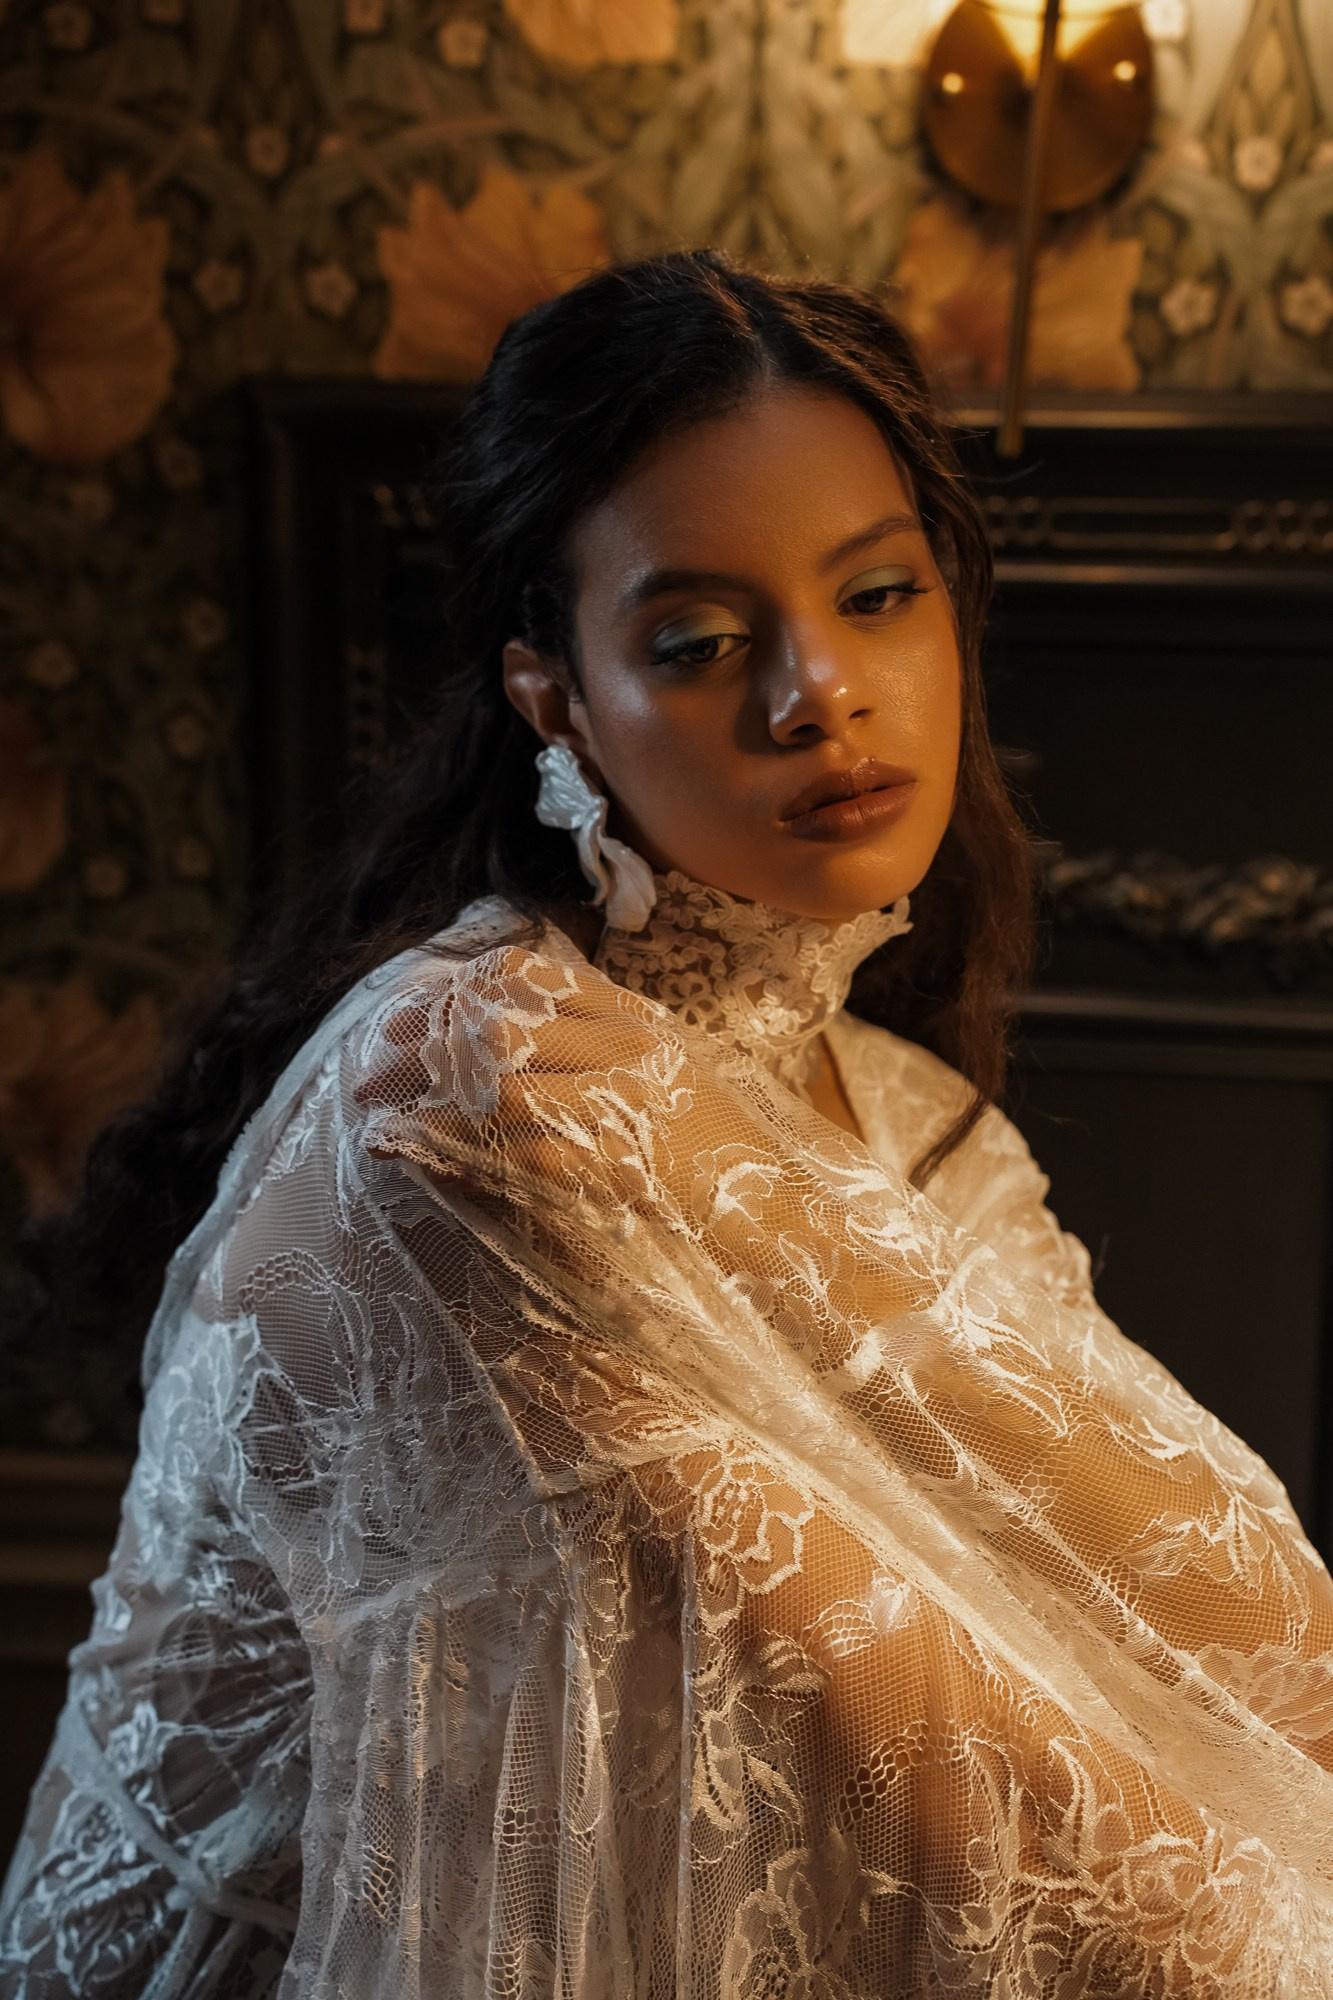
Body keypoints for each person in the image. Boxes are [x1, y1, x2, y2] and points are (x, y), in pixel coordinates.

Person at [3, 248, 1332, 2000]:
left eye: (878, 595)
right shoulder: (467, 1087)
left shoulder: (919, 1122)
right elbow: (948, 1774)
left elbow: (1240, 1634)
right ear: (554, 701)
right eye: (700, 642)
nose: (818, 692)